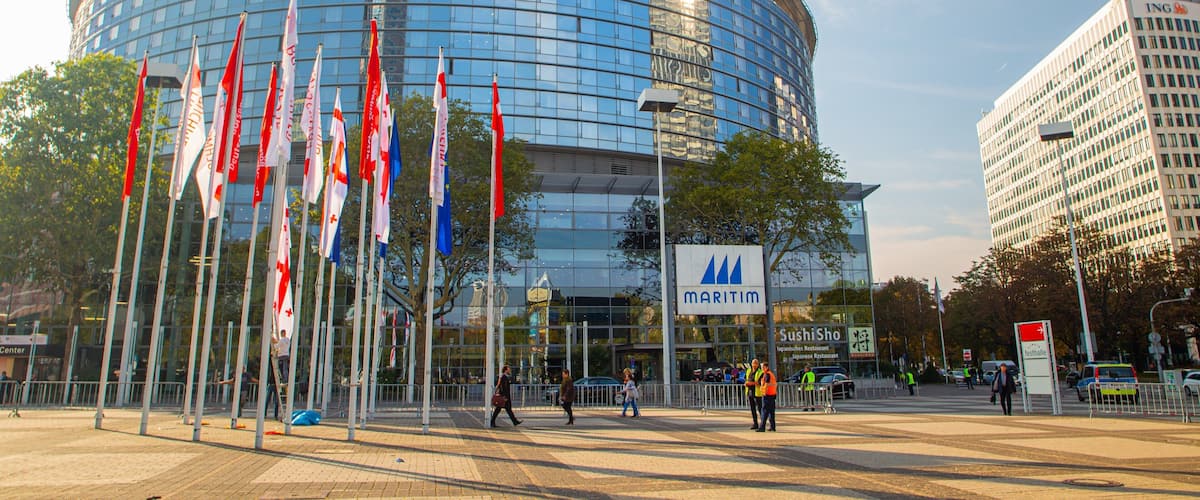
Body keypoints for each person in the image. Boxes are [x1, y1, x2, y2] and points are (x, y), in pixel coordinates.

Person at [756, 363, 778, 432]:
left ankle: (762, 427)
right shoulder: (771, 374)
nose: (762, 368)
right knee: (771, 412)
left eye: (763, 367)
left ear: (766, 367)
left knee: (764, 411)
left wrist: (762, 388)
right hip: (772, 394)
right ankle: (773, 426)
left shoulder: (767, 374)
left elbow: (765, 383)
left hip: (767, 395)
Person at [744, 359, 762, 429]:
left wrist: (750, 383)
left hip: (757, 393)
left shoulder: (760, 372)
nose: (754, 365)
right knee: (752, 409)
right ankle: (755, 423)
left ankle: (762, 424)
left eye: (756, 363)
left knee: (760, 409)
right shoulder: (749, 370)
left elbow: (759, 382)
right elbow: (747, 379)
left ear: (758, 364)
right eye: (753, 363)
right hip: (750, 392)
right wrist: (746, 383)